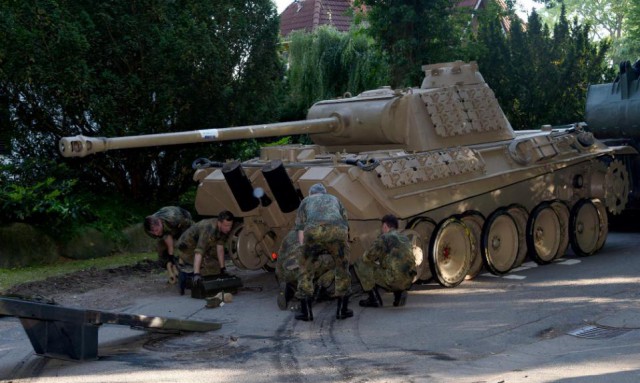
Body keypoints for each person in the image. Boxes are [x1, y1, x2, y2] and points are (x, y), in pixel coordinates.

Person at [294, 183, 351, 321]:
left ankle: (306, 313)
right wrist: (343, 248)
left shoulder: (306, 201)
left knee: (306, 271)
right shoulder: (335, 199)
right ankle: (341, 311)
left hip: (313, 232)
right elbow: (345, 223)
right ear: (324, 193)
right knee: (342, 269)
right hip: (337, 231)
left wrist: (304, 251)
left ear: (311, 194)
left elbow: (300, 227)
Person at [355, 214, 417, 308]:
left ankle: (374, 299)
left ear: (385, 226)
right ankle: (399, 294)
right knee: (396, 266)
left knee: (360, 263)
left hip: (393, 280)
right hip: (408, 280)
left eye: (382, 227)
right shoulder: (404, 238)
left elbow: (368, 256)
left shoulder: (385, 237)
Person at [275, 230, 336, 310]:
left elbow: (280, 257)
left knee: (297, 272)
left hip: (283, 272)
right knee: (334, 262)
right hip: (302, 269)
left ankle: (289, 290)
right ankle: (318, 287)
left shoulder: (290, 234)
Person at [175, 210, 235, 283]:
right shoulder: (209, 229)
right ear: (219, 223)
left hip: (197, 245)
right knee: (211, 267)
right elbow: (199, 251)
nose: (228, 228)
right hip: (185, 248)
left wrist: (223, 269)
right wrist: (196, 274)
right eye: (226, 226)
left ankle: (197, 271)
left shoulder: (223, 229)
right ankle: (185, 277)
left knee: (216, 267)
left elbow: (220, 247)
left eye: (230, 225)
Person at [144, 206, 194, 282]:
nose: (156, 234)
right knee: (161, 250)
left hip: (184, 220)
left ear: (159, 222)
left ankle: (188, 267)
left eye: (156, 230)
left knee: (185, 245)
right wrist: (170, 257)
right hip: (168, 227)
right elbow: (166, 236)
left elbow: (191, 227)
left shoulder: (173, 218)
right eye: (153, 232)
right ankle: (171, 269)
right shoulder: (148, 229)